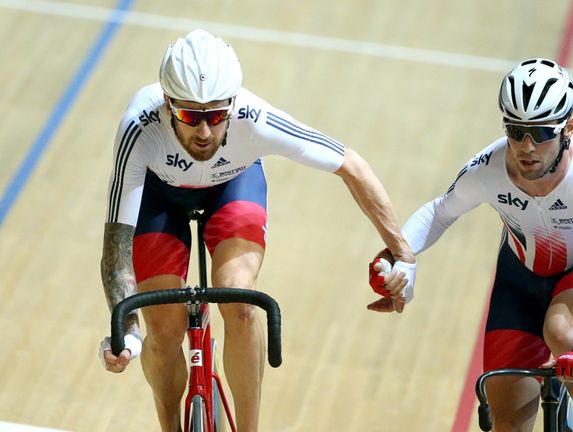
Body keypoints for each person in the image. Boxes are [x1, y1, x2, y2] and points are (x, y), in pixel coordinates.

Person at [97, 29, 415, 432]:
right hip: (160, 198)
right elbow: (116, 249)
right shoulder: (139, 128)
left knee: (241, 302)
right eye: (189, 116)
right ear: (166, 103)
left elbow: (350, 165)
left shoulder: (255, 118)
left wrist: (403, 254)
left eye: (216, 115)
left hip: (233, 187)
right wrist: (126, 330)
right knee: (163, 328)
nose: (205, 132)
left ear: (233, 104)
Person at [369, 58, 573, 432]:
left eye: (541, 133)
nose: (527, 147)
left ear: (568, 128)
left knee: (561, 332)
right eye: (515, 130)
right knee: (507, 424)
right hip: (519, 281)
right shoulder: (488, 169)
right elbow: (438, 213)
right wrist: (401, 260)